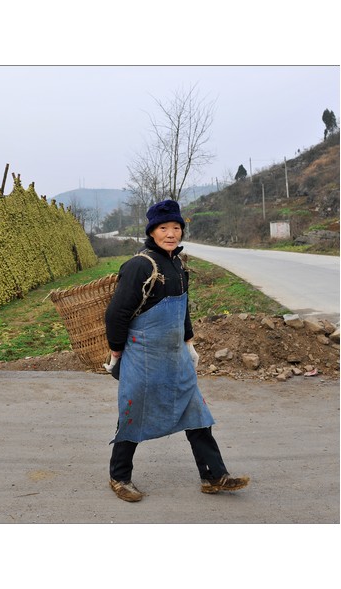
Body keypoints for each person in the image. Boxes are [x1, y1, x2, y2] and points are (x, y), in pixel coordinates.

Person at [104, 199, 250, 502]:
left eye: (176, 227)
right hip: (142, 358)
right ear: (151, 232)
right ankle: (119, 477)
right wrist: (116, 352)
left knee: (196, 412)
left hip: (175, 356)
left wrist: (189, 342)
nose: (171, 234)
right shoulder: (140, 266)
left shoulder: (178, 265)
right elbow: (116, 314)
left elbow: (182, 309)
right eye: (163, 228)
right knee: (133, 414)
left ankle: (214, 475)